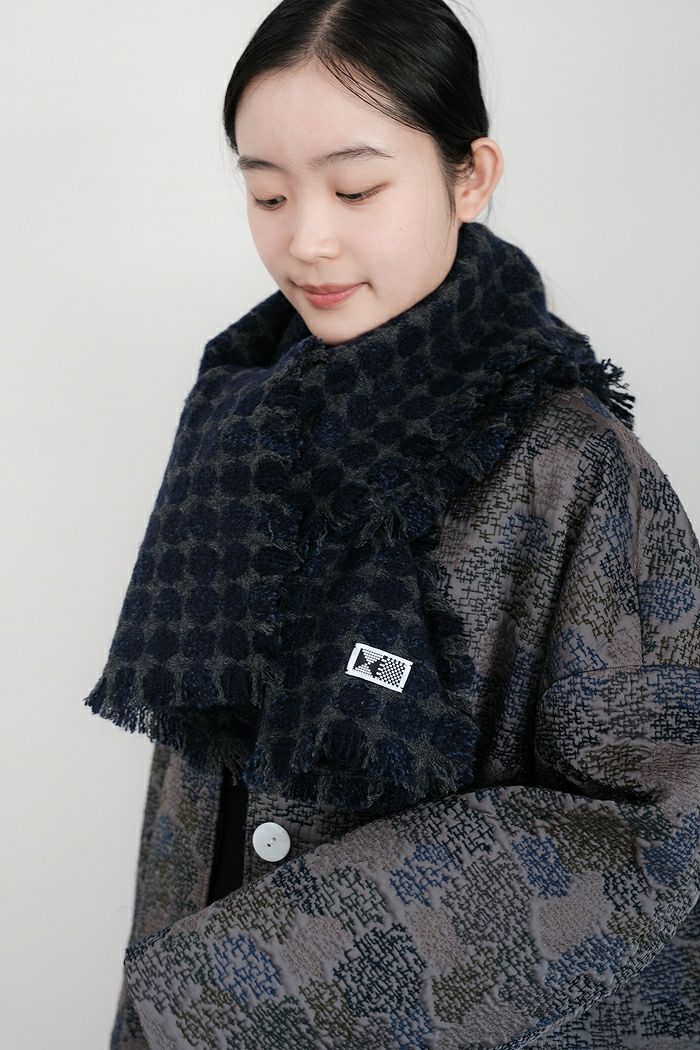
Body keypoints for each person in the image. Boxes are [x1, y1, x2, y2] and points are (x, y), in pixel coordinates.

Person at [90, 2, 700, 1048]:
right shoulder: (238, 420)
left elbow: (662, 828)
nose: (306, 239)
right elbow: (196, 800)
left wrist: (252, 977)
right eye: (267, 193)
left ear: (470, 176)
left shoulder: (572, 465)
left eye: (356, 188)